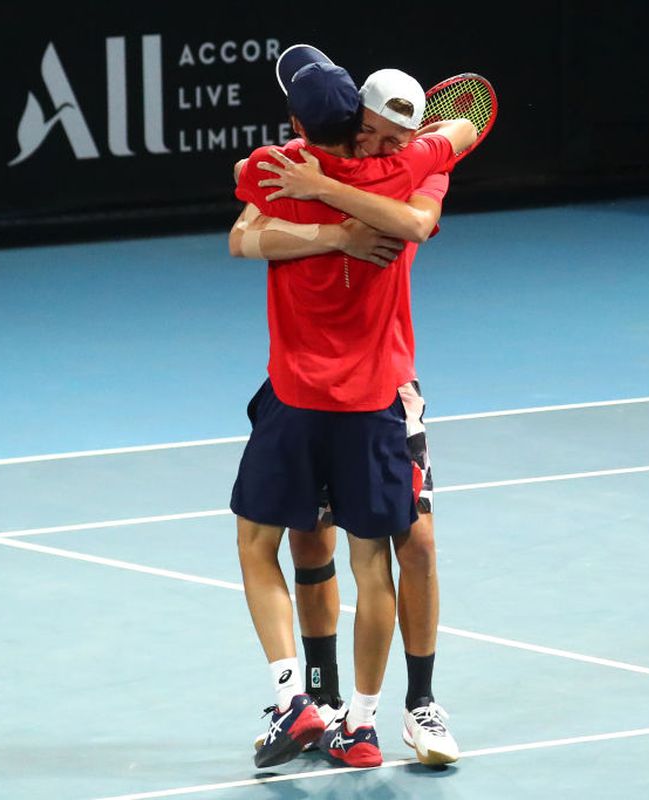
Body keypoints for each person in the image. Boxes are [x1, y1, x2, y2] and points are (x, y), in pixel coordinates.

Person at [229, 48, 475, 770]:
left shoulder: (310, 168)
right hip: (316, 394)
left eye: (397, 138)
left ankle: (413, 703)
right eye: (371, 132)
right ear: (356, 117)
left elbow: (415, 224)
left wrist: (323, 187)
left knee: (411, 546)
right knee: (315, 546)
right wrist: (336, 228)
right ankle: (326, 704)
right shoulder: (380, 162)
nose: (381, 146)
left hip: (384, 391)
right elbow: (243, 236)